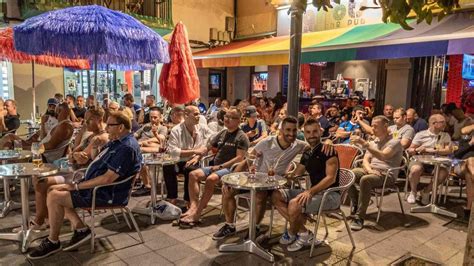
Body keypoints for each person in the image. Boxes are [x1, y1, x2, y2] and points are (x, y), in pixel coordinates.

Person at [27, 111, 142, 259]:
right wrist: (94, 148)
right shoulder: (117, 142)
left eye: (110, 125)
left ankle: (53, 241)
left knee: (55, 195)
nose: (107, 129)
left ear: (121, 127)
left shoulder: (126, 147)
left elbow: (107, 179)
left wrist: (75, 186)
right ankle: (81, 229)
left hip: (105, 194)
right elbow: (95, 160)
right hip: (94, 187)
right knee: (53, 189)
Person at [214, 116, 307, 240]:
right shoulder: (267, 142)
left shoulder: (299, 145)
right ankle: (229, 226)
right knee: (228, 190)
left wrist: (327, 142)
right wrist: (232, 178)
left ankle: (256, 228)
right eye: (288, 130)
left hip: (273, 184)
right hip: (255, 178)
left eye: (294, 130)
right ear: (281, 130)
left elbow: (315, 146)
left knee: (260, 194)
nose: (291, 133)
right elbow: (247, 160)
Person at [29, 106, 109, 232]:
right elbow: (74, 152)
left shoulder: (100, 138)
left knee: (42, 183)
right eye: (85, 120)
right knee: (39, 180)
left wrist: (75, 156)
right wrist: (83, 131)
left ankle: (41, 221)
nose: (85, 123)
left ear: (99, 120)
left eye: (88, 120)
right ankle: (45, 220)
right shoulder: (91, 136)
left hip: (81, 176)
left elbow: (81, 158)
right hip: (73, 172)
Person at [271, 118, 339, 251]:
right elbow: (297, 173)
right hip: (314, 192)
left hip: (330, 195)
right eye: (308, 132)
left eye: (315, 131)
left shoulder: (329, 150)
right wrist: (283, 178)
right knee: (276, 195)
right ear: (304, 133)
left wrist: (310, 191)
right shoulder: (308, 151)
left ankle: (293, 232)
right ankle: (304, 233)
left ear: (320, 131)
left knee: (294, 204)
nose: (311, 135)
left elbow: (331, 178)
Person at [179, 107, 250, 226]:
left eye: (231, 117)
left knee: (210, 179)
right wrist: (197, 157)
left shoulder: (242, 137)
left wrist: (220, 166)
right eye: (226, 116)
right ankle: (193, 207)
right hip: (216, 166)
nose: (227, 119)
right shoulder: (223, 132)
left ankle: (197, 214)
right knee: (193, 174)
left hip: (230, 170)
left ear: (239, 121)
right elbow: (208, 147)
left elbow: (239, 158)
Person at [348, 115, 403, 231]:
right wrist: (369, 170)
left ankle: (359, 217)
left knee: (365, 180)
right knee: (348, 175)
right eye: (372, 126)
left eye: (375, 126)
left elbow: (383, 156)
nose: (372, 128)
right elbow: (366, 159)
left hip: (387, 174)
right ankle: (357, 204)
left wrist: (365, 144)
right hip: (372, 171)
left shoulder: (395, 142)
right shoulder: (374, 141)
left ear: (385, 126)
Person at [161, 105, 213, 204]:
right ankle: (172, 197)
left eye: (199, 114)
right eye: (196, 114)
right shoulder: (176, 130)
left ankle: (188, 200)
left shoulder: (202, 128)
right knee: (167, 166)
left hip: (194, 160)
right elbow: (173, 151)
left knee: (190, 169)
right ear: (186, 115)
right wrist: (194, 151)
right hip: (178, 160)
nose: (199, 116)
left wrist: (199, 154)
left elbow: (213, 138)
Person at [406, 114, 452, 205]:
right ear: (434, 123)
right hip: (420, 160)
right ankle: (413, 192)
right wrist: (415, 150)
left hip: (437, 162)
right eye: (442, 122)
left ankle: (426, 192)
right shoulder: (421, 135)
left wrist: (428, 149)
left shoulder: (445, 135)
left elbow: (448, 150)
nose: (445, 124)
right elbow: (410, 149)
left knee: (443, 173)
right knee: (415, 170)